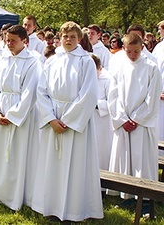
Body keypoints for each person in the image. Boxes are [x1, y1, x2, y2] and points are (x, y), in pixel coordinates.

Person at [32, 21, 103, 222]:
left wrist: (68, 120)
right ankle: (51, 206)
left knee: (75, 166)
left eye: (72, 36)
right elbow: (42, 91)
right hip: (53, 119)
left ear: (79, 39)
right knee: (52, 165)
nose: (68, 40)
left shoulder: (86, 61)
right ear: (60, 38)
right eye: (65, 36)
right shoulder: (52, 61)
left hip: (74, 121)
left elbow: (88, 94)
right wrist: (51, 118)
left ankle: (73, 210)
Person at [0, 25, 41, 210]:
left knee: (18, 154)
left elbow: (30, 92)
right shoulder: (1, 60)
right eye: (7, 40)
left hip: (20, 115)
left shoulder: (32, 62)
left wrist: (13, 116)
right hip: (1, 111)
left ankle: (18, 196)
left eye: (13, 40)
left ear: (24, 40)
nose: (9, 44)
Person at [107, 33, 162, 200]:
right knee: (123, 158)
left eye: (136, 51)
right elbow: (113, 95)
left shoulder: (151, 67)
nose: (132, 55)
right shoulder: (119, 66)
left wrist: (136, 118)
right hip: (124, 121)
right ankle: (125, 196)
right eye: (129, 51)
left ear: (142, 48)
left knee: (142, 160)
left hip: (141, 124)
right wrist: (122, 118)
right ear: (124, 49)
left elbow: (152, 98)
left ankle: (145, 199)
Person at [91, 54, 113, 174]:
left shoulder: (107, 79)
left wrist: (96, 104)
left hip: (102, 122)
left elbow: (113, 102)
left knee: (101, 152)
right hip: (88, 120)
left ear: (99, 68)